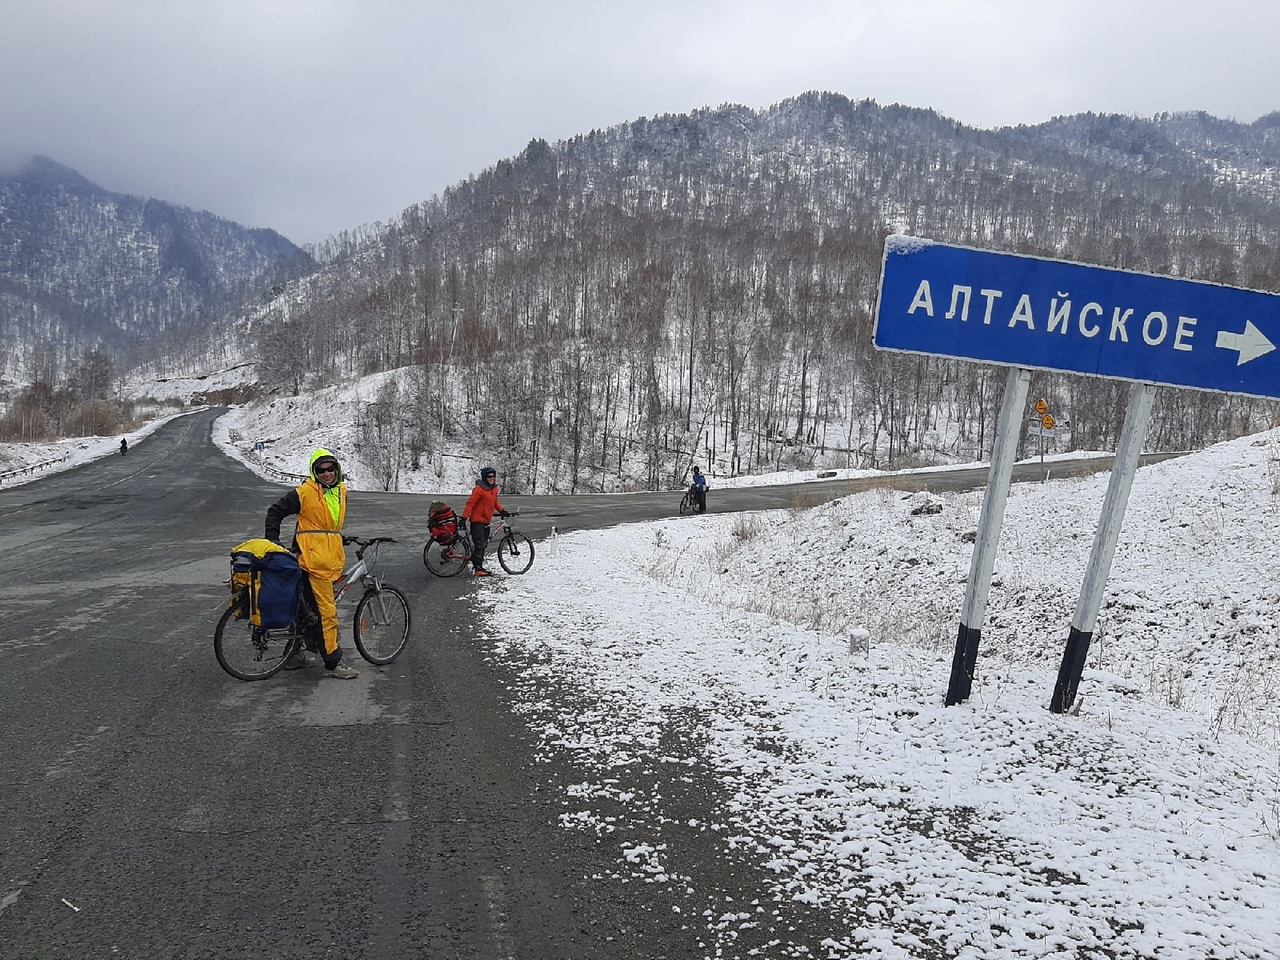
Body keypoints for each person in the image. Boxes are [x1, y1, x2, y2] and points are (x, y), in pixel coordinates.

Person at [264, 448, 358, 678]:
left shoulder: (339, 491)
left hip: (326, 556)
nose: (327, 473)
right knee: (326, 612)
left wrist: (337, 538)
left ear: (337, 469)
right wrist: (273, 543)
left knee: (307, 611)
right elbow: (274, 512)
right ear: (314, 472)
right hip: (312, 561)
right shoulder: (304, 492)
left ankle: (294, 655)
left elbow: (324, 525)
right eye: (321, 470)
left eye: (330, 468)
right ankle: (334, 662)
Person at [461, 465, 506, 577]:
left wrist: (502, 510)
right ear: (484, 477)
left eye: (493, 476)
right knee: (480, 544)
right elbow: (470, 504)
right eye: (489, 476)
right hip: (477, 521)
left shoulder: (494, 489)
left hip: (486, 521)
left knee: (483, 544)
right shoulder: (479, 489)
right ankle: (478, 569)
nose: (491, 478)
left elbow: (495, 502)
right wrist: (464, 518)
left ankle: (477, 563)